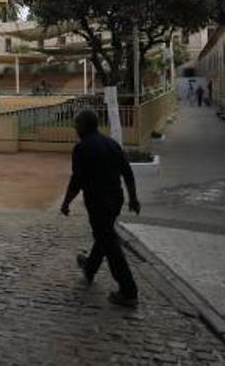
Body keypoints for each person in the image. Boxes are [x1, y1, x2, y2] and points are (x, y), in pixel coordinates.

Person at [60, 108, 141, 307]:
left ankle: (128, 290)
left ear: (85, 126)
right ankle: (90, 267)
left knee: (109, 242)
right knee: (104, 235)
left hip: (98, 201)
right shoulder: (111, 144)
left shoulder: (82, 148)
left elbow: (76, 180)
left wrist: (66, 202)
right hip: (116, 199)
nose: (75, 128)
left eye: (76, 124)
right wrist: (133, 198)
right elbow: (127, 172)